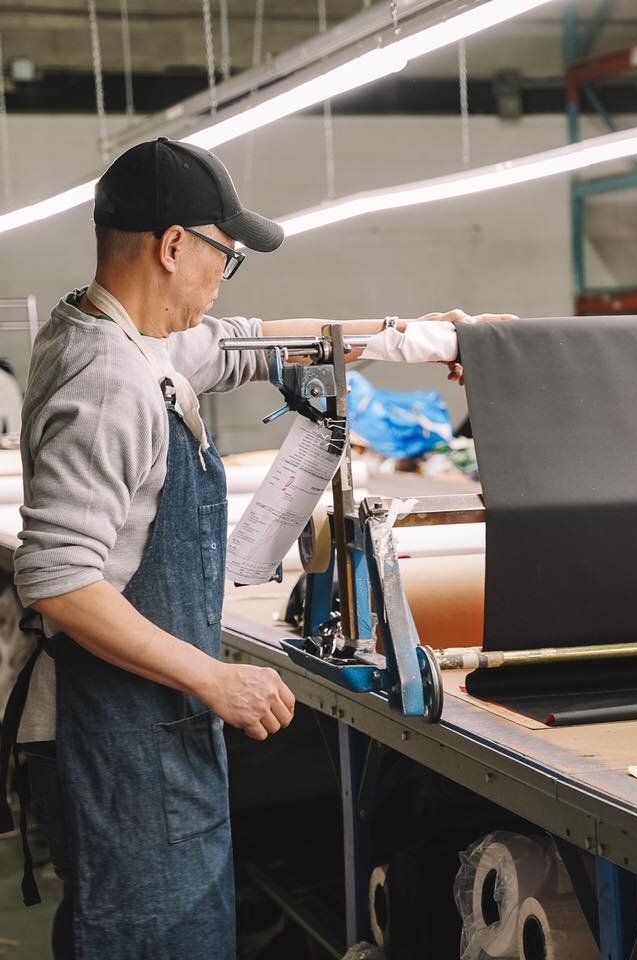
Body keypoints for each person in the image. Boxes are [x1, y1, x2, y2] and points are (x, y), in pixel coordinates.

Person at [3, 136, 508, 960]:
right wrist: (216, 678)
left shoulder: (129, 335)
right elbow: (58, 581)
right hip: (125, 736)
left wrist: (417, 339)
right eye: (223, 257)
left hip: (155, 722)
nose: (222, 278)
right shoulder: (106, 382)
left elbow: (248, 344)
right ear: (173, 247)